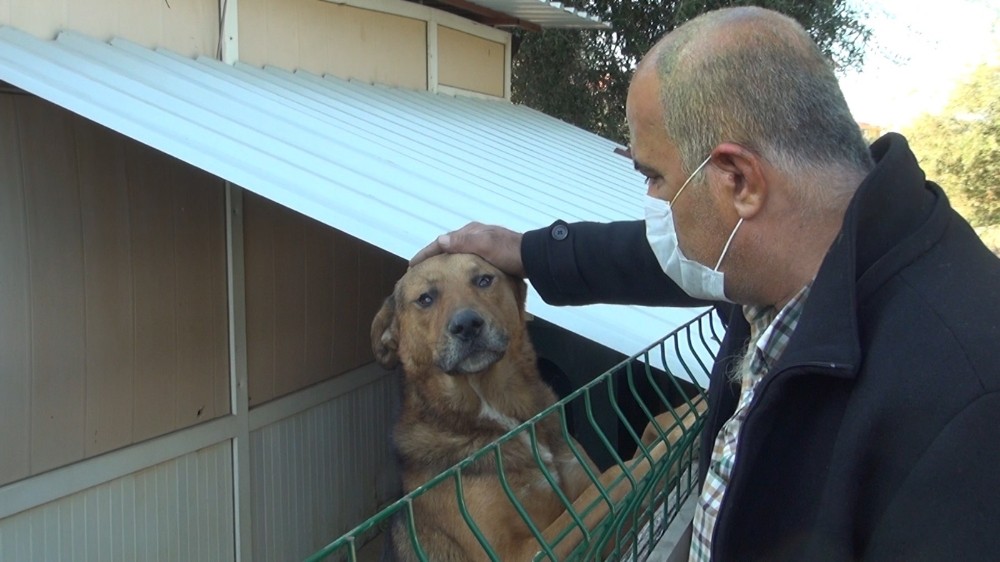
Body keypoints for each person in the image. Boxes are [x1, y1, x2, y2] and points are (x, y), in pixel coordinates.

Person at [411, 6, 1000, 561]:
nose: (651, 203)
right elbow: (666, 256)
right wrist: (527, 252)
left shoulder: (964, 404)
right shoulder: (807, 263)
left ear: (739, 180)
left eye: (655, 177)